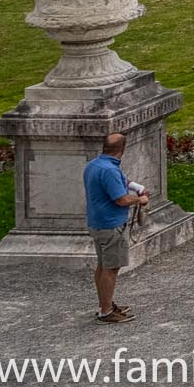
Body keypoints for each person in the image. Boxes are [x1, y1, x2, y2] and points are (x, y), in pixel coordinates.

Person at [84, 131, 145, 323]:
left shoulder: (94, 165)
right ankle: (106, 310)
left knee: (103, 266)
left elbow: (120, 181)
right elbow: (121, 199)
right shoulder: (109, 170)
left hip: (98, 223)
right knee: (111, 268)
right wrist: (139, 199)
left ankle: (106, 303)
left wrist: (135, 185)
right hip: (112, 226)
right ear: (122, 150)